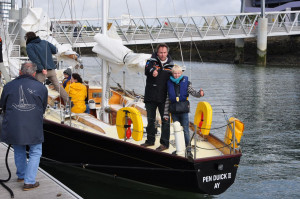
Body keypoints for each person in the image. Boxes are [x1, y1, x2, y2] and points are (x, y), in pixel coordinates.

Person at [0, 62, 48, 191]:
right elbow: (43, 108)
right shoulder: (41, 87)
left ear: (20, 72)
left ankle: (21, 175)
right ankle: (29, 181)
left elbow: (3, 105)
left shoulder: (8, 86)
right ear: (33, 73)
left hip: (14, 124)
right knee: (35, 151)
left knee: (19, 149)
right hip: (33, 124)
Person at [164, 65, 204, 157]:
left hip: (184, 110)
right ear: (172, 73)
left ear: (181, 73)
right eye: (175, 73)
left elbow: (193, 92)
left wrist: (200, 94)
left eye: (178, 73)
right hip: (174, 111)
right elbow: (167, 100)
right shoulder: (169, 83)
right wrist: (165, 114)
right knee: (177, 130)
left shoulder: (187, 83)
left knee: (186, 130)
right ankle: (179, 148)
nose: (176, 75)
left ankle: (188, 150)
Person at [141, 43, 174, 151]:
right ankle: (150, 141)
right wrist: (153, 71)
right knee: (151, 120)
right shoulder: (151, 61)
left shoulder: (171, 65)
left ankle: (164, 144)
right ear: (157, 52)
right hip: (150, 96)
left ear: (167, 52)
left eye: (164, 52)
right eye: (160, 52)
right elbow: (147, 70)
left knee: (165, 121)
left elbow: (176, 78)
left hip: (164, 98)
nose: (163, 55)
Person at [25, 31, 69, 104]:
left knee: (35, 88)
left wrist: (42, 69)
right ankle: (68, 102)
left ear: (27, 38)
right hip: (51, 69)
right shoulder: (45, 42)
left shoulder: (29, 46)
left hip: (41, 71)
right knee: (58, 86)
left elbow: (34, 59)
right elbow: (55, 50)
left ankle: (35, 104)